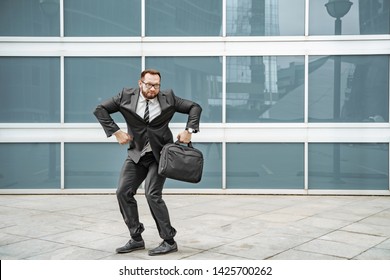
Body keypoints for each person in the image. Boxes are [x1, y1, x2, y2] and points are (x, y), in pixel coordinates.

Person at [93, 69, 202, 256]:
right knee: (123, 192)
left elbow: (195, 107)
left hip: (160, 156)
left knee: (152, 193)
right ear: (140, 83)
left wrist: (189, 130)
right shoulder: (125, 96)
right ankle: (136, 238)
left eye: (157, 85)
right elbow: (100, 110)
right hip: (136, 154)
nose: (153, 89)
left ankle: (169, 240)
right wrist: (116, 131)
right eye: (149, 84)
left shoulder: (169, 98)